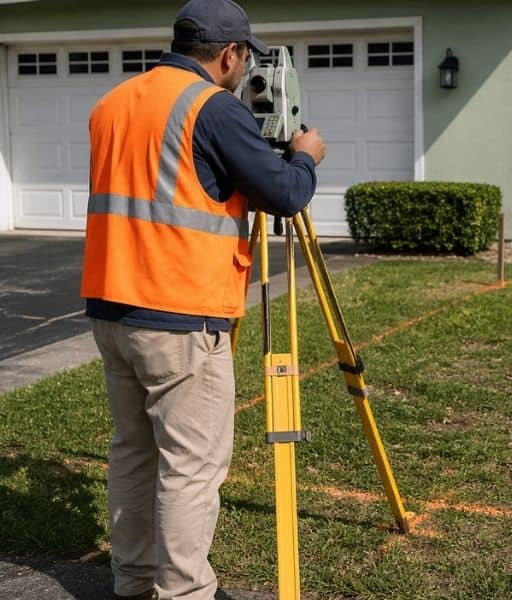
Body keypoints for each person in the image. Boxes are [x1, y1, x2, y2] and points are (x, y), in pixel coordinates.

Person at [80, 0, 325, 598]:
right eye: (245, 60)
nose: (246, 74)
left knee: (134, 455)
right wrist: (305, 156)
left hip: (112, 309)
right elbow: (284, 194)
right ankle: (186, 592)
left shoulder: (112, 103)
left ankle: (133, 579)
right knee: (189, 469)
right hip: (181, 318)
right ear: (228, 55)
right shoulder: (212, 109)